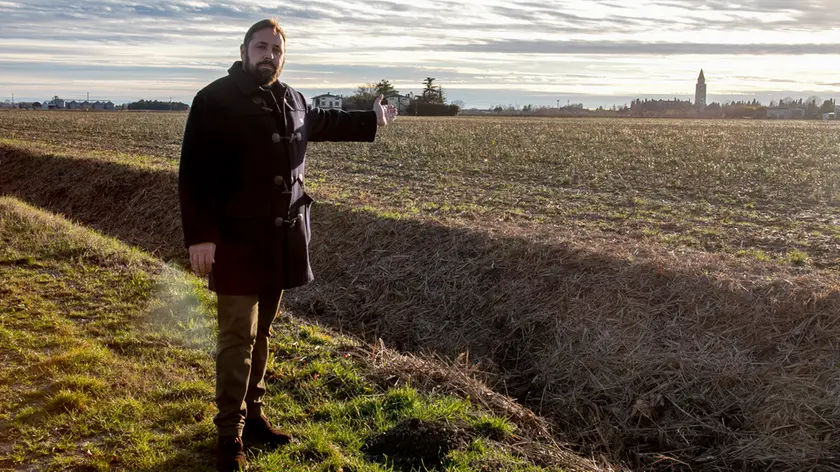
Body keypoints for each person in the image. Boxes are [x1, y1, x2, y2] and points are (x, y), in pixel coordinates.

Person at [177, 18, 397, 472]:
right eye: (261, 47)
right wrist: (200, 237)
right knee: (237, 336)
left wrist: (371, 119)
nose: (269, 56)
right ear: (243, 50)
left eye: (276, 50)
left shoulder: (293, 98)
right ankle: (228, 434)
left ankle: (254, 417)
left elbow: (324, 121)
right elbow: (195, 174)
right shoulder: (214, 99)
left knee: (264, 334)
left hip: (282, 238)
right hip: (236, 241)